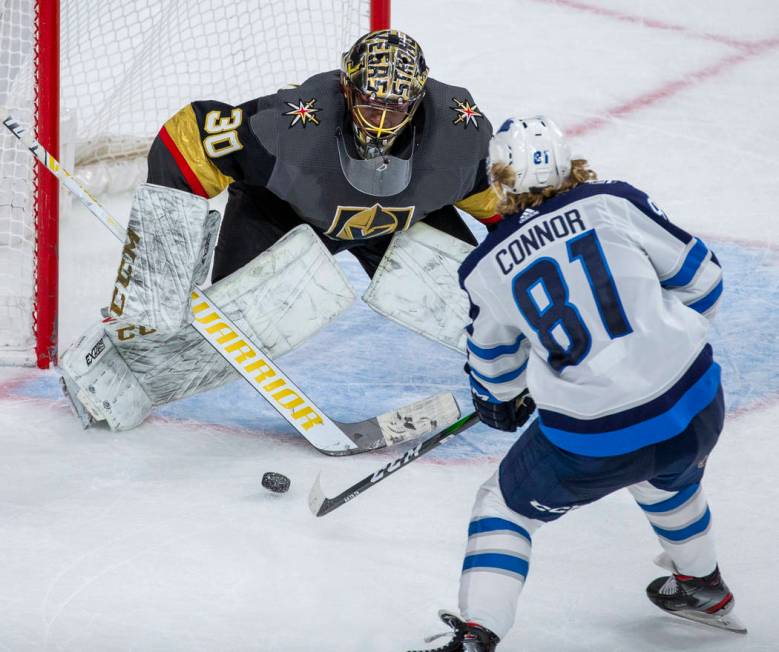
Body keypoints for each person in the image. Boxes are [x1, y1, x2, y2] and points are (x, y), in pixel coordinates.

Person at [411, 116, 743, 651]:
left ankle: (477, 636)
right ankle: (702, 585)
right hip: (699, 404)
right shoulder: (614, 201)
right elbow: (704, 282)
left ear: (498, 179)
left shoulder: (484, 269)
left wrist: (501, 403)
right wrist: (654, 341)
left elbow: (494, 371)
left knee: (504, 506)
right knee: (667, 470)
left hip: (597, 438)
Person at [146, 29, 501, 282]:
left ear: (418, 100)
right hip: (286, 214)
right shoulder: (289, 126)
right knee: (235, 313)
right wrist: (164, 269)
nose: (380, 123)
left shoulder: (459, 135)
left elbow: (513, 211)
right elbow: (185, 140)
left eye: (394, 109)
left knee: (475, 297)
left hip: (404, 225)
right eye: (370, 103)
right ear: (346, 87)